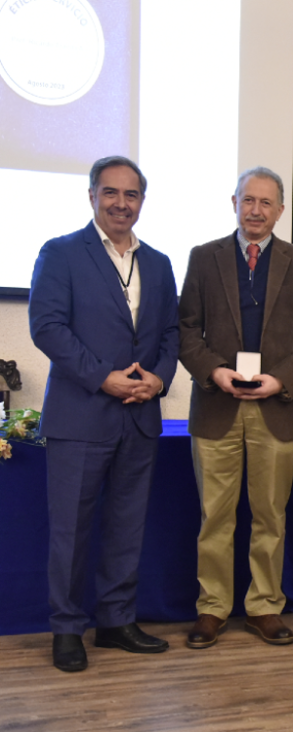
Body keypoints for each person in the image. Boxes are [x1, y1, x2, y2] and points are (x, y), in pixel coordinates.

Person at [29, 156, 179, 672]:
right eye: (110, 193)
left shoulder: (158, 262)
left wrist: (157, 378)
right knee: (71, 531)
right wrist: (103, 377)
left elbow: (170, 334)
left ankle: (116, 621)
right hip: (81, 415)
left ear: (142, 201)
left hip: (139, 416)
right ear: (91, 195)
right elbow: (47, 328)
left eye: (131, 195)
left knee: (126, 525)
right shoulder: (62, 252)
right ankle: (68, 628)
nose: (121, 203)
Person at [178, 167, 293, 649]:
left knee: (271, 516)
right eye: (248, 200)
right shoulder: (204, 258)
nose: (256, 210)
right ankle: (213, 608)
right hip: (217, 405)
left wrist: (279, 379)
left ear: (280, 210)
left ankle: (265, 605)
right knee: (215, 517)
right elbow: (185, 332)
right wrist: (216, 372)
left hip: (277, 409)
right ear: (234, 203)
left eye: (266, 202)